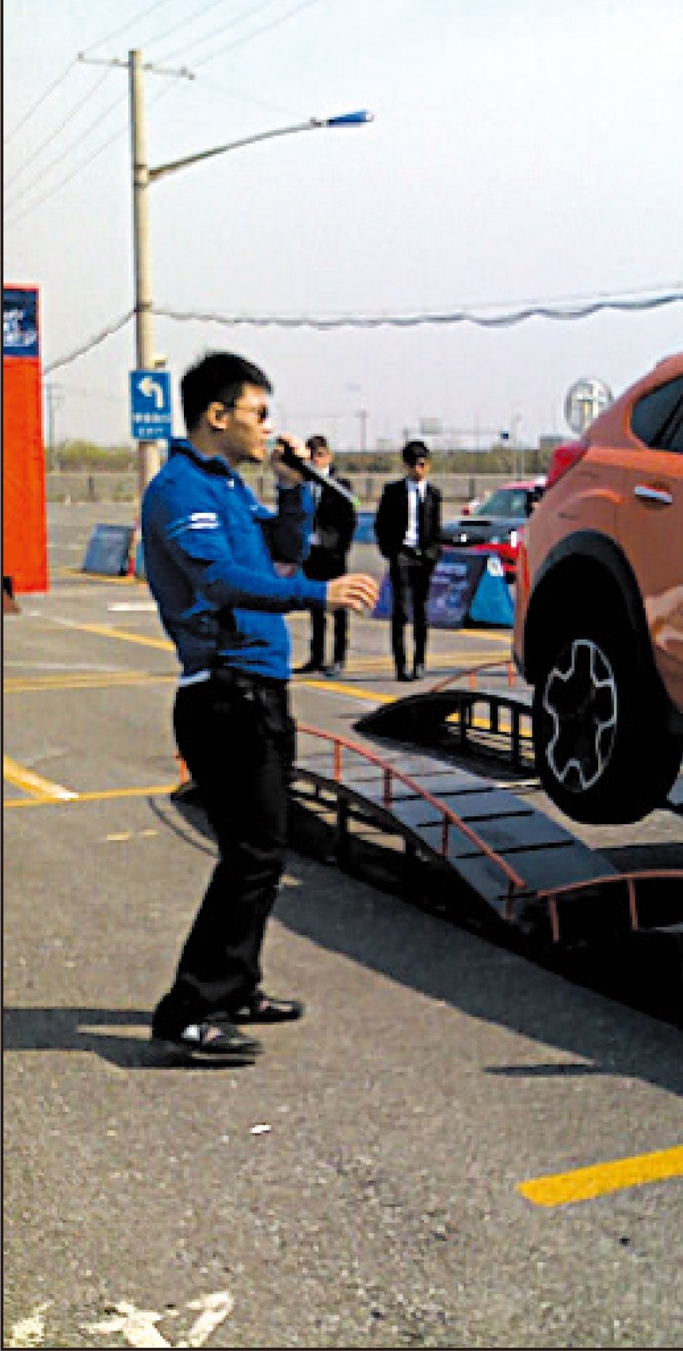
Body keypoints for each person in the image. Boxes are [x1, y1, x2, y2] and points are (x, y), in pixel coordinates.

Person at [141, 351, 380, 1063]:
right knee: (250, 853)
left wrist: (293, 490)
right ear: (218, 416)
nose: (268, 428)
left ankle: (236, 985)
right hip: (223, 694)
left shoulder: (228, 486)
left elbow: (283, 550)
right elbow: (219, 581)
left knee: (265, 850)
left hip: (260, 691)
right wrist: (320, 596)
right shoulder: (180, 489)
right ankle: (189, 1008)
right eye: (259, 414)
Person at [374, 439, 442, 681]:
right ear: (405, 466)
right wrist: (390, 551)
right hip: (401, 554)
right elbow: (381, 524)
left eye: (422, 464)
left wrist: (433, 553)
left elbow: (436, 528)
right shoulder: (393, 492)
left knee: (421, 611)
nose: (418, 470)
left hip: (424, 556)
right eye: (413, 465)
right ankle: (400, 664)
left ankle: (419, 661)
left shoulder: (433, 494)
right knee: (400, 610)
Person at [295, 434, 358, 677]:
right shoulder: (303, 483)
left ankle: (339, 657)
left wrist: (340, 548)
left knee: (339, 607)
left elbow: (349, 519)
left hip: (333, 554)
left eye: (320, 455)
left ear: (328, 456)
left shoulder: (340, 484)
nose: (316, 459)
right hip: (311, 552)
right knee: (315, 607)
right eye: (312, 455)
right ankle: (316, 656)